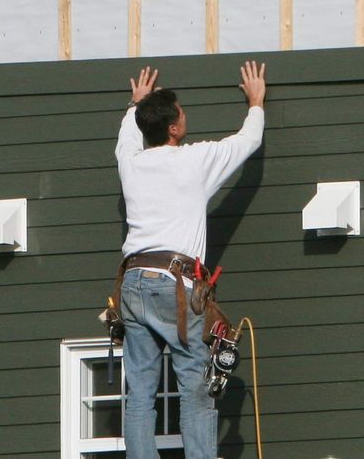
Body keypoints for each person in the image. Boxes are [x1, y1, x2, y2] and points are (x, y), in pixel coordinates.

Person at [114, 61, 267, 459]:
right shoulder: (193, 161)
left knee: (141, 391)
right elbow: (246, 141)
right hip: (174, 284)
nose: (185, 116)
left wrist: (136, 104)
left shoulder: (131, 163)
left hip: (132, 283)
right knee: (194, 384)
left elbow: (126, 137)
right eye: (180, 114)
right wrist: (256, 101)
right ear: (173, 129)